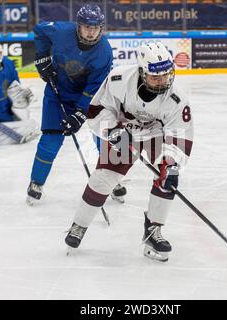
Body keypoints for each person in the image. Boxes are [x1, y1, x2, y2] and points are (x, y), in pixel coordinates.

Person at [64, 42, 194, 262]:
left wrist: (171, 165)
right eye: (155, 77)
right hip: (124, 134)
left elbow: (179, 135)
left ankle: (153, 231)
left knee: (167, 179)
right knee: (103, 178)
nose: (162, 81)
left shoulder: (176, 97)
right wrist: (112, 131)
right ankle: (79, 225)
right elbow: (98, 110)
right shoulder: (118, 79)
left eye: (165, 75)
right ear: (142, 71)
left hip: (156, 137)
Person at [27, 4, 124, 206]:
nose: (91, 32)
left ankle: (112, 180)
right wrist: (42, 57)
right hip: (57, 93)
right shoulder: (61, 31)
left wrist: (80, 113)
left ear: (101, 28)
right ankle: (36, 182)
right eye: (87, 27)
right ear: (78, 26)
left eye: (95, 27)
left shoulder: (104, 52)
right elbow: (39, 31)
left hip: (90, 97)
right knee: (50, 141)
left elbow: (95, 87)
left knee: (105, 137)